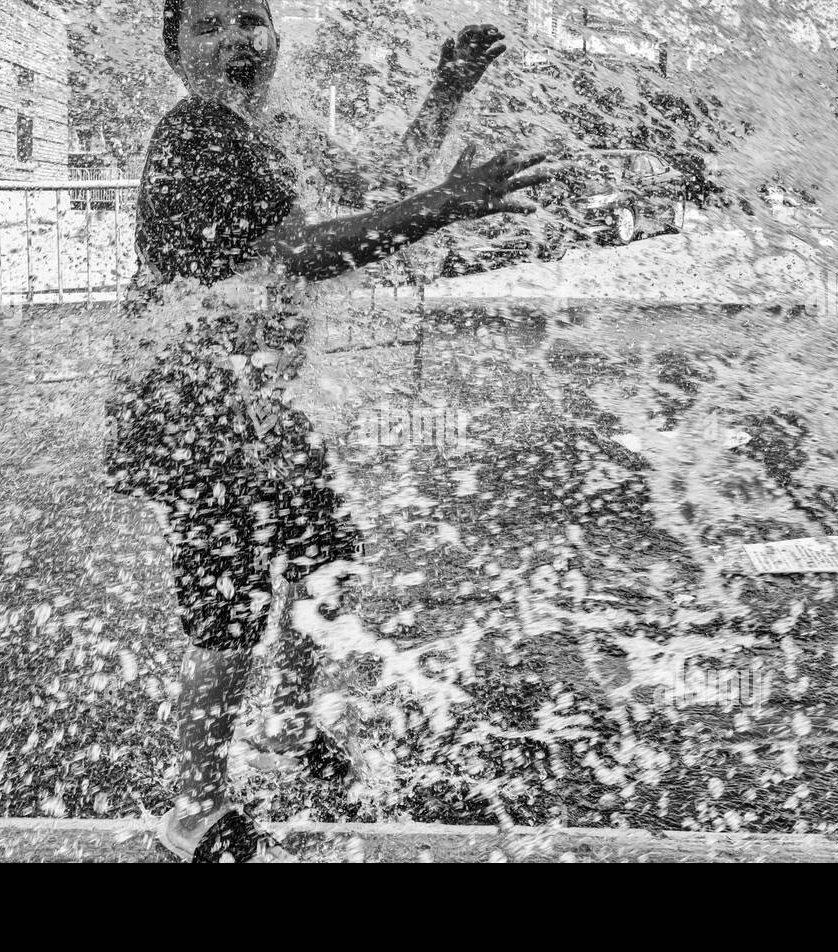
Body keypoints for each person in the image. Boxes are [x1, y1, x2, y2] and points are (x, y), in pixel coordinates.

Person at [108, 0, 553, 862]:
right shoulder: (197, 132)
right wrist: (447, 203)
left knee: (325, 552)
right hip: (187, 403)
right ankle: (191, 813)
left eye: (251, 19)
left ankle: (285, 727)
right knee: (227, 606)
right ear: (176, 52)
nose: (236, 39)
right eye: (209, 26)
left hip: (248, 400)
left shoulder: (273, 127)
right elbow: (296, 254)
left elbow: (377, 183)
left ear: (274, 37)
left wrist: (446, 92)